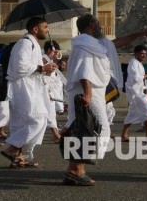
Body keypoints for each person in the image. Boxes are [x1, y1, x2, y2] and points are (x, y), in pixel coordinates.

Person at [0, 17, 57, 168]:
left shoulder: (33, 44)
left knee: (21, 124)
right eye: (45, 27)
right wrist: (42, 68)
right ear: (35, 29)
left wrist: (47, 65)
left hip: (30, 88)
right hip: (23, 89)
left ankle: (18, 158)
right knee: (38, 119)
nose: (47, 30)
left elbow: (32, 67)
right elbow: (19, 67)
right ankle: (11, 148)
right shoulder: (25, 43)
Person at [62, 13, 110, 186]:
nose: (101, 26)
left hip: (90, 92)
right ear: (91, 24)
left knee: (82, 130)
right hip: (88, 93)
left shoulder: (88, 44)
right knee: (96, 130)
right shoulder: (84, 44)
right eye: (98, 23)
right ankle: (76, 169)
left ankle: (72, 170)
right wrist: (88, 94)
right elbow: (85, 70)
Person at [120, 45, 147, 142]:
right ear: (136, 53)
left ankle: (124, 135)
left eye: (145, 54)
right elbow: (136, 78)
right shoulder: (133, 63)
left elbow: (140, 78)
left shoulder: (138, 63)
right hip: (136, 93)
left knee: (131, 114)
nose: (144, 55)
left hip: (139, 92)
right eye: (141, 53)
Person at [42, 40, 65, 143]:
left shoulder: (50, 60)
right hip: (43, 90)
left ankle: (56, 135)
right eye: (55, 52)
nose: (57, 54)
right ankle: (56, 136)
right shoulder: (43, 60)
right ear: (48, 50)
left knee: (50, 114)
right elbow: (41, 76)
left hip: (49, 90)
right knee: (50, 114)